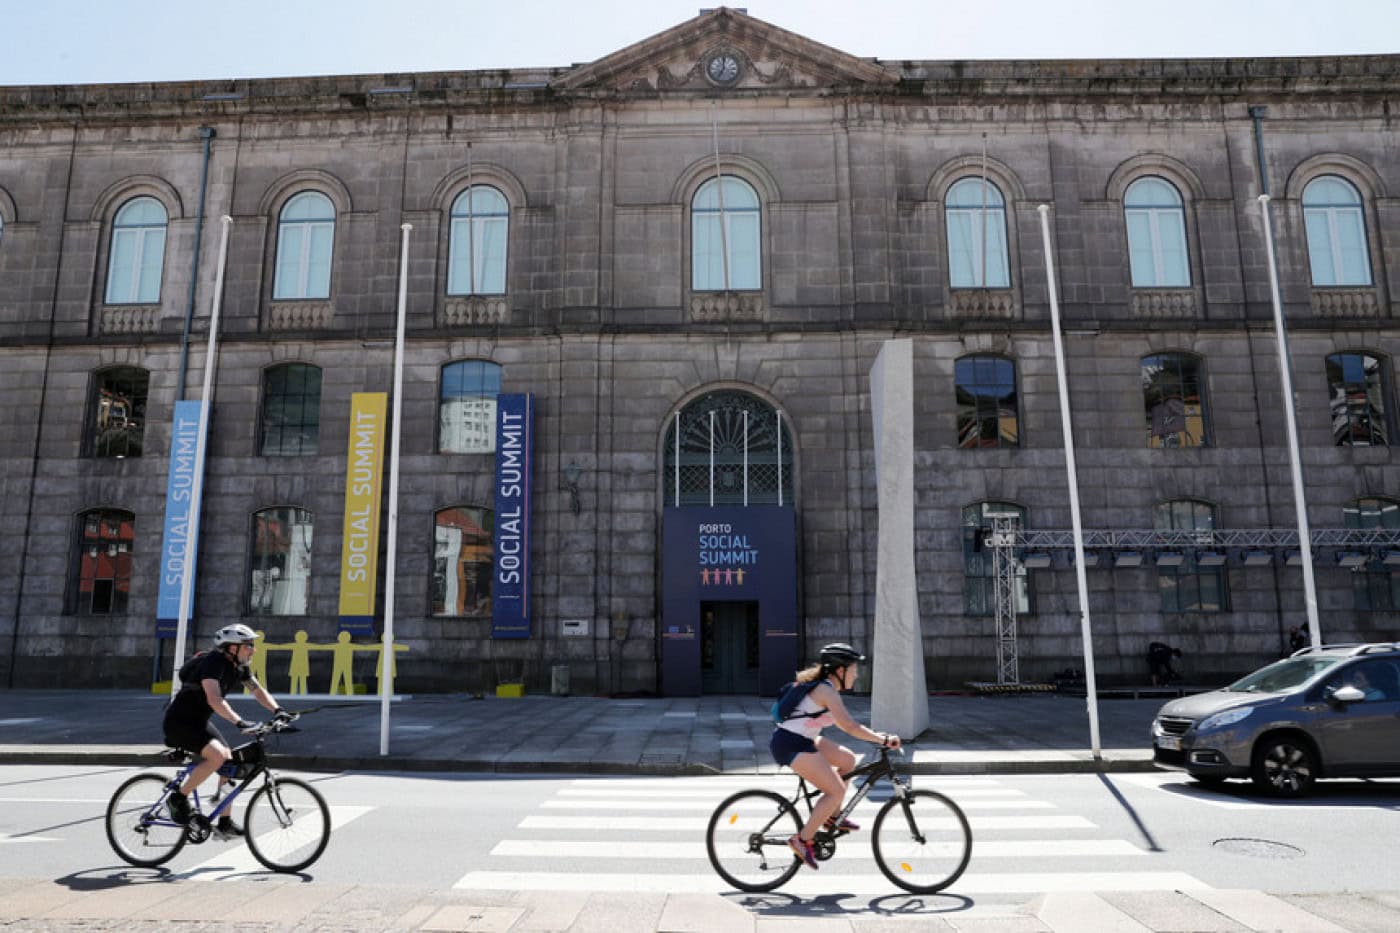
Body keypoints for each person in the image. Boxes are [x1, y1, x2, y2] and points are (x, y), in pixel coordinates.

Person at [769, 643, 901, 871]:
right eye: (853, 669)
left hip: (803, 739)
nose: (856, 673)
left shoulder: (828, 689)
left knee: (848, 760)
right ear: (840, 671)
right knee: (836, 790)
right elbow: (849, 726)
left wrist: (877, 737)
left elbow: (844, 725)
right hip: (790, 743)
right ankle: (801, 839)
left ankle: (831, 816)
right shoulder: (825, 691)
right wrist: (882, 739)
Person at [162, 623, 289, 834]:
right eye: (248, 645)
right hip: (179, 722)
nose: (253, 650)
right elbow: (214, 699)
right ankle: (178, 798)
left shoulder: (238, 667)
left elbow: (257, 691)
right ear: (232, 648)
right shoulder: (213, 663)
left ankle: (224, 822)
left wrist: (278, 710)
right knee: (218, 756)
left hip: (199, 722)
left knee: (229, 761)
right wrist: (239, 722)